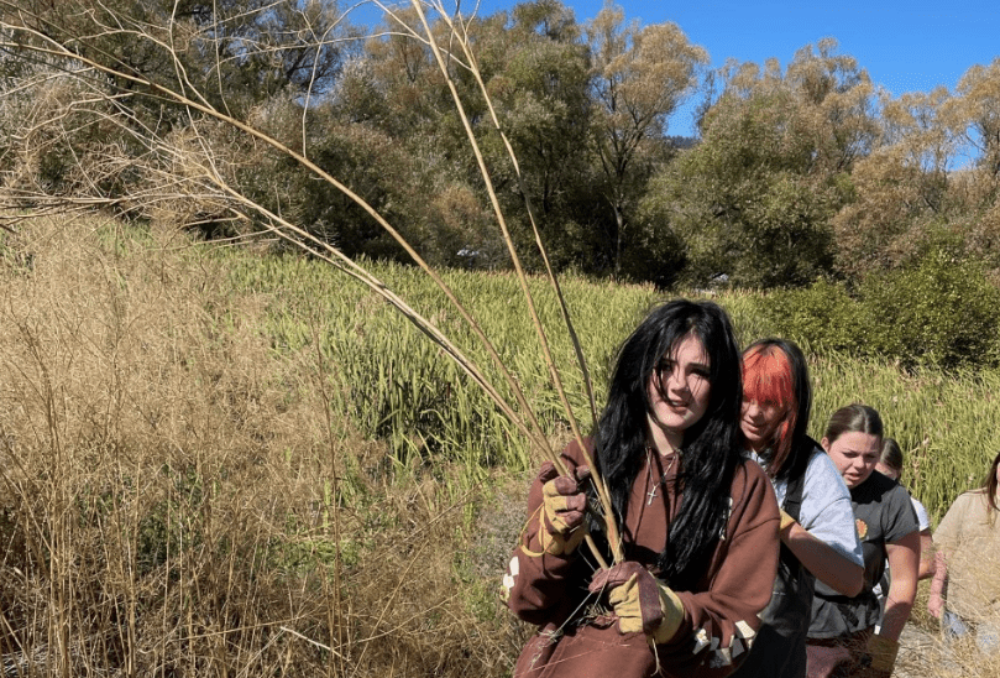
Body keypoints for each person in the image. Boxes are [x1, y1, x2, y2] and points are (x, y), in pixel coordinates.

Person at [501, 299, 780, 678]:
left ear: (721, 386)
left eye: (699, 372)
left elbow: (738, 627)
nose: (678, 385)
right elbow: (523, 601)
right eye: (664, 366)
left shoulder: (744, 487)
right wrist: (554, 540)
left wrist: (670, 614)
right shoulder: (583, 460)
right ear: (640, 367)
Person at [733, 339, 863, 678]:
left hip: (770, 661)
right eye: (745, 398)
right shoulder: (708, 448)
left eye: (770, 403)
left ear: (792, 404)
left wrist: (780, 522)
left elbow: (850, 579)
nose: (753, 413)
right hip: (697, 651)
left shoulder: (813, 469)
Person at [805, 404, 920, 678]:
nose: (859, 465)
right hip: (784, 626)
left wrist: (882, 652)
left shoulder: (892, 499)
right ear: (825, 444)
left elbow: (904, 581)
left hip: (849, 638)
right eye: (849, 454)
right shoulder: (800, 483)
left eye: (870, 456)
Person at [928, 450, 1000, 653]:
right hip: (958, 602)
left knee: (987, 667)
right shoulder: (968, 501)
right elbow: (944, 549)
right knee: (954, 665)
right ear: (996, 468)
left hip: (995, 611)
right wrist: (935, 593)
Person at [872, 438, 935, 629]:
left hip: (885, 605)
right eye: (872, 475)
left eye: (885, 476)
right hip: (848, 602)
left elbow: (929, 562)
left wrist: (891, 579)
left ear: (898, 472)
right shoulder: (848, 500)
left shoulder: (912, 508)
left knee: (877, 655)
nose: (878, 484)